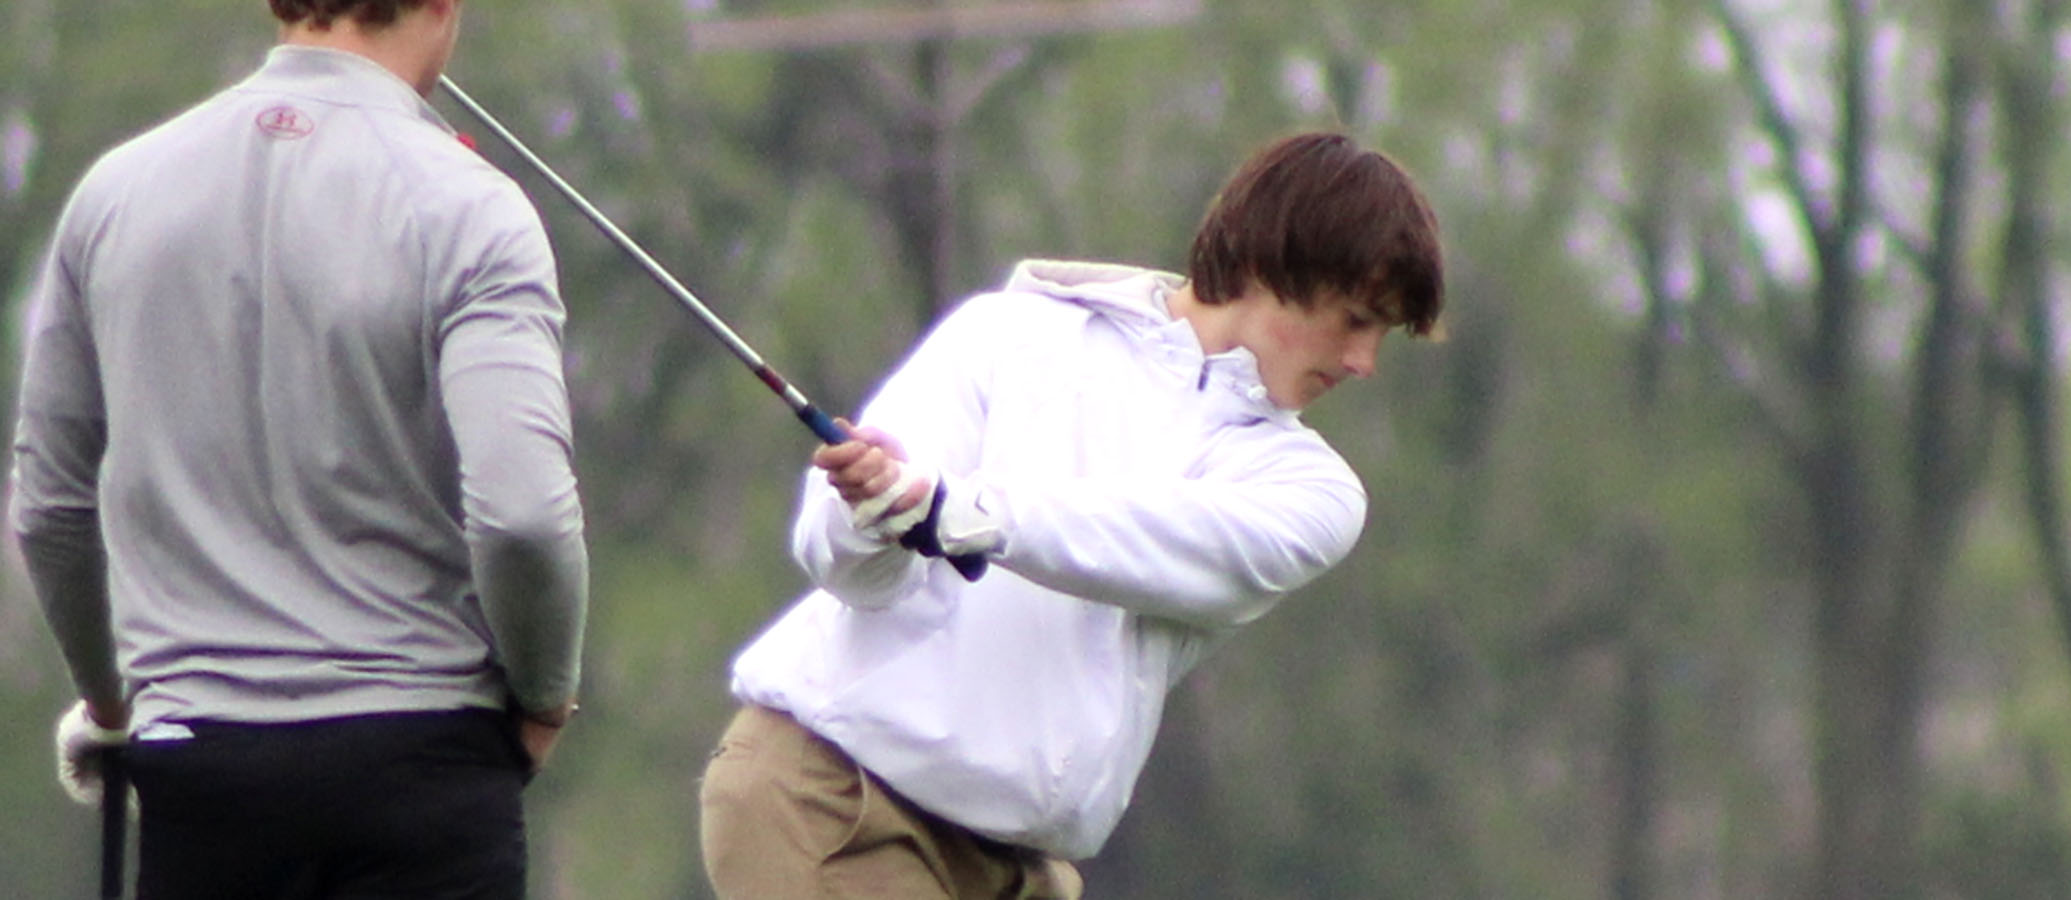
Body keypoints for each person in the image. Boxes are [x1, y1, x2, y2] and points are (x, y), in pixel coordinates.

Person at [697, 132, 1445, 898]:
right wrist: (872, 514)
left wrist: (960, 509)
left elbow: (1137, 538)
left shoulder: (1310, 489)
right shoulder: (1007, 335)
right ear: (1274, 265)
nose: (1364, 362)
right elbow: (842, 566)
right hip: (833, 799)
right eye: (1355, 319)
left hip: (1018, 863)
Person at [13, 1, 588, 896]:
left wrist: (114, 704)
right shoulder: (474, 208)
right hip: (425, 759)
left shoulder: (116, 193)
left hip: (201, 769)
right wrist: (545, 695)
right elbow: (520, 519)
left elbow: (51, 508)